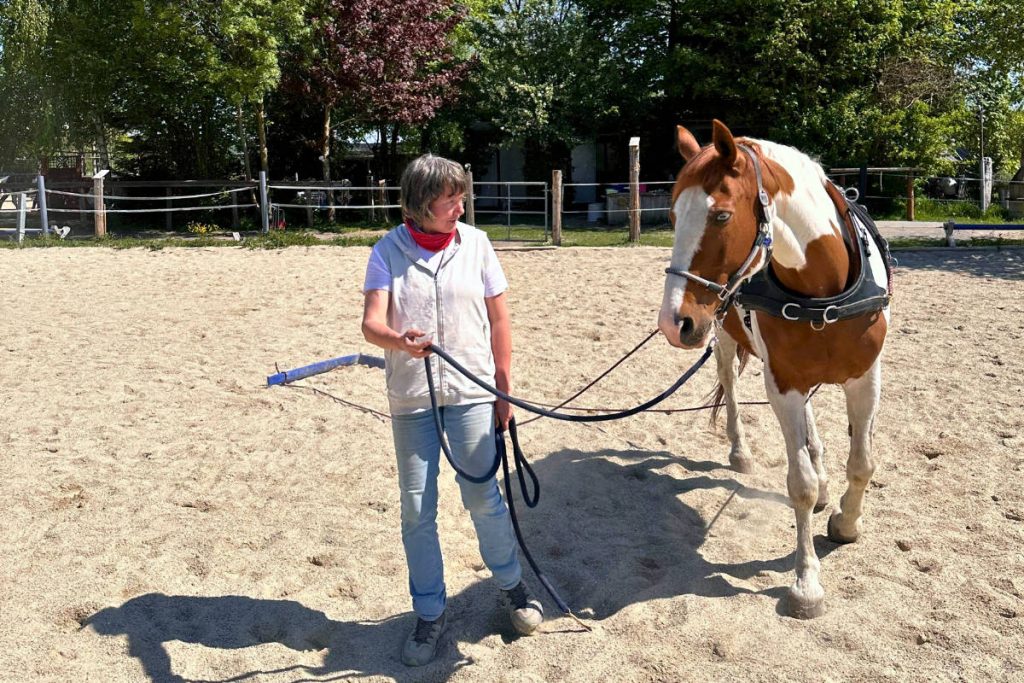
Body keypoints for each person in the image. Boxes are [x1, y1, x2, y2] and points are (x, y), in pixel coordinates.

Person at [361, 154, 543, 667]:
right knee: (418, 510)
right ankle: (429, 613)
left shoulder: (478, 245)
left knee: (484, 497)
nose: (460, 206)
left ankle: (513, 587)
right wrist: (399, 339)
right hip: (412, 400)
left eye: (461, 196)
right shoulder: (386, 252)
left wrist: (502, 389)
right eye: (450, 199)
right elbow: (371, 325)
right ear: (422, 206)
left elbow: (500, 320)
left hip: (471, 393)